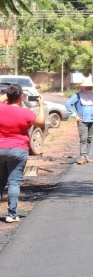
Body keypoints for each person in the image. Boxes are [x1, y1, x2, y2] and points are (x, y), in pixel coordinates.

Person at [0, 84, 46, 223]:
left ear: (8, 96)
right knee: (14, 183)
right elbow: (41, 122)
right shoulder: (26, 113)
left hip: (1, 149)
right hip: (18, 150)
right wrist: (41, 105)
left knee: (0, 182)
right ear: (21, 98)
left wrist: (9, 95)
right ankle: (12, 215)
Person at [65, 76, 93, 165]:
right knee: (83, 139)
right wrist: (75, 116)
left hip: (92, 121)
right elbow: (68, 104)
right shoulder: (77, 96)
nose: (89, 88)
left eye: (90, 86)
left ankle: (87, 156)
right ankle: (82, 157)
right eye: (87, 86)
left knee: (89, 139)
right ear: (82, 87)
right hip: (83, 121)